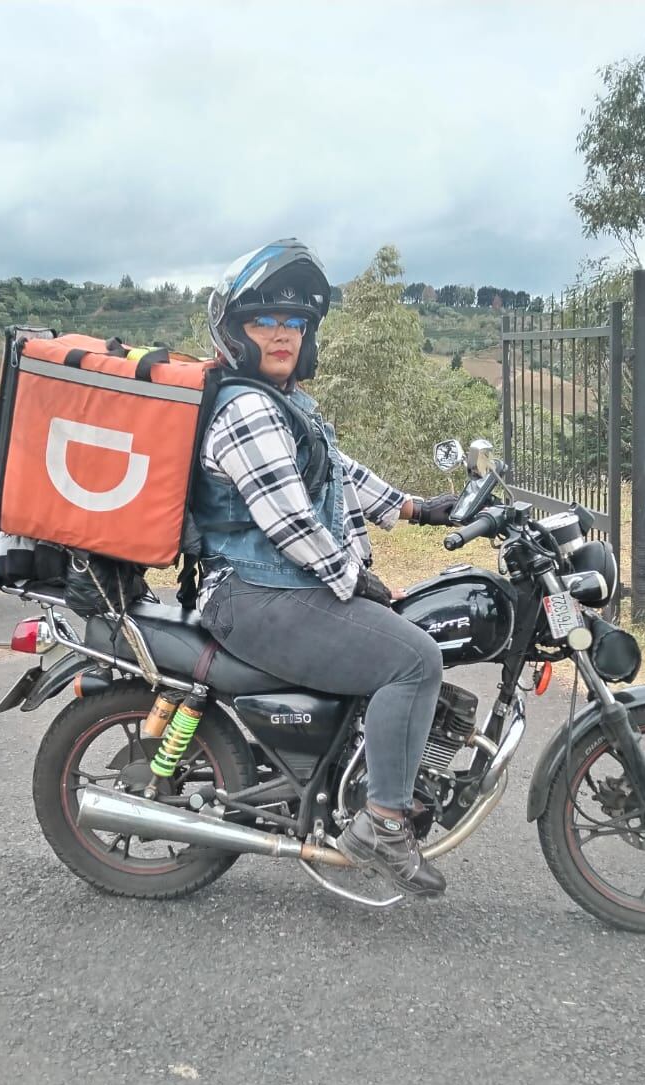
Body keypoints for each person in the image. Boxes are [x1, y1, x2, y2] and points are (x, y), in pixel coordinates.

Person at [190, 239, 457, 897]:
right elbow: (288, 521)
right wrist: (351, 578)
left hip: (278, 587)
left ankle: (360, 772)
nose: (282, 335)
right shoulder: (245, 407)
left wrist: (416, 508)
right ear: (236, 330)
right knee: (413, 659)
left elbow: (333, 472)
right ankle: (382, 826)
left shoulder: (283, 401)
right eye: (266, 321)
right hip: (253, 593)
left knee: (394, 636)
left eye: (294, 322)